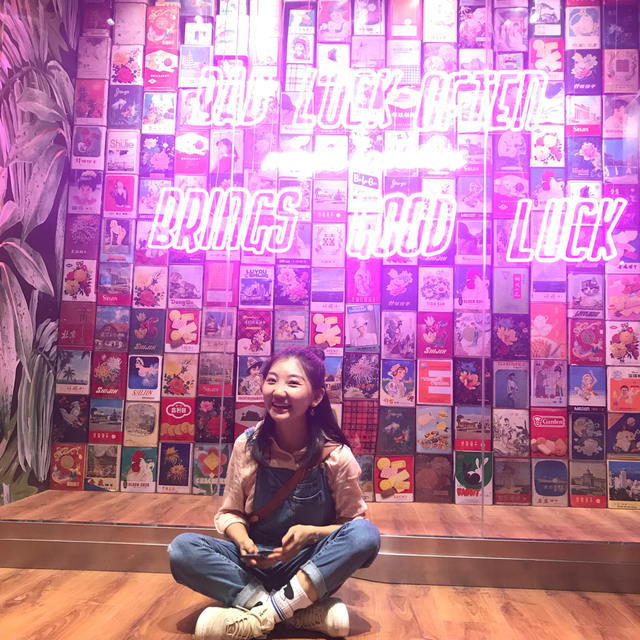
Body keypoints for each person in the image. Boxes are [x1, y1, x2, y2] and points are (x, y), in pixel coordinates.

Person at [169, 346, 380, 640]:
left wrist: (311, 533)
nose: (279, 391)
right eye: (272, 380)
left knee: (366, 534)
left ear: (316, 397)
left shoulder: (335, 456)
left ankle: (261, 614)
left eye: (293, 383)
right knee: (182, 549)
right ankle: (293, 611)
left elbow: (352, 526)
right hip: (252, 565)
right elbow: (230, 512)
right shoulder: (248, 445)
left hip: (308, 566)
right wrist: (242, 540)